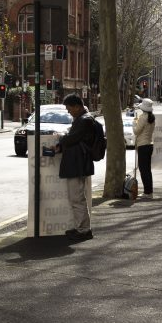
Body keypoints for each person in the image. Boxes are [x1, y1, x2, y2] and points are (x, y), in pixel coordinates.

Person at [54, 93, 94, 241]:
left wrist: (61, 137)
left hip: (77, 164)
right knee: (76, 198)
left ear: (77, 106)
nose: (68, 111)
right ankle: (81, 228)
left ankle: (84, 230)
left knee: (77, 198)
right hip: (77, 163)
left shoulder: (84, 120)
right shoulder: (82, 119)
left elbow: (72, 139)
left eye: (69, 108)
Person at [133, 98, 156, 198]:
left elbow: (136, 131)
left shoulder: (143, 118)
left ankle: (147, 192)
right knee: (147, 169)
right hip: (149, 144)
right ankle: (149, 190)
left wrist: (134, 123)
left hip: (143, 145)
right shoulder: (152, 117)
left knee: (143, 169)